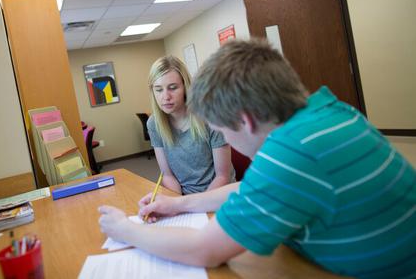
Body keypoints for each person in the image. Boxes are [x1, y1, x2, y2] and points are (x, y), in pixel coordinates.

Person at [99, 39, 416, 278]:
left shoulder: (289, 155)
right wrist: (177, 204)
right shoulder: (330, 111)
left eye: (221, 128)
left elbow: (204, 251)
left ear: (245, 121)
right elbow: (250, 190)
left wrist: (125, 229)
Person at [145, 55, 235, 194]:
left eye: (173, 88)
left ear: (186, 87)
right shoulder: (154, 124)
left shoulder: (210, 116)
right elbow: (168, 176)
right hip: (184, 198)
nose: (165, 97)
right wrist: (179, 203)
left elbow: (223, 176)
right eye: (158, 89)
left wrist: (194, 204)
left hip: (217, 194)